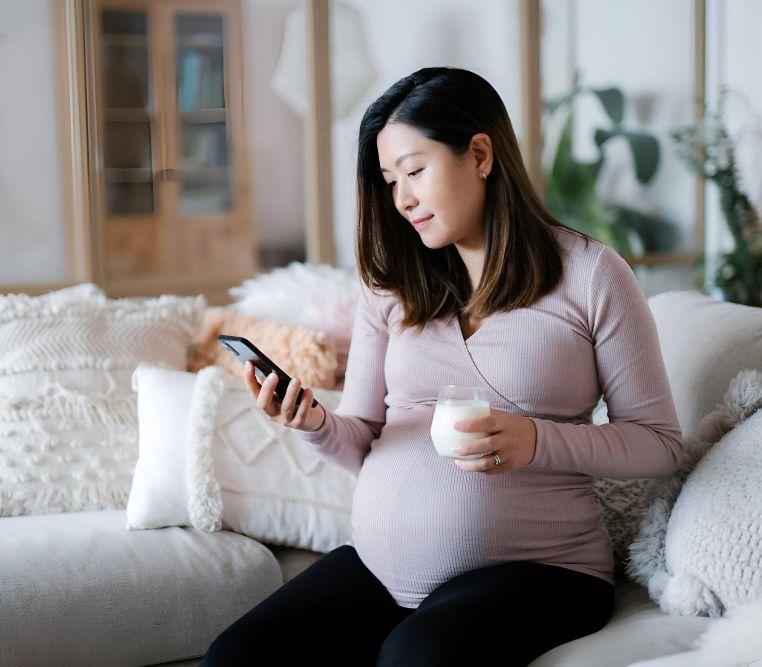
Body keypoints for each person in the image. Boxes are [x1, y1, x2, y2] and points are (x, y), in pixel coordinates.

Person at [201, 66, 683, 667]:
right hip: (381, 569)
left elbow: (660, 444)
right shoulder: (391, 288)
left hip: (545, 570)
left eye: (414, 170)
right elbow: (361, 439)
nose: (401, 198)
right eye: (388, 180)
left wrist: (536, 441)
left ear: (479, 154)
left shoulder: (593, 276)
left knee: (415, 659)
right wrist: (313, 424)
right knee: (235, 657)